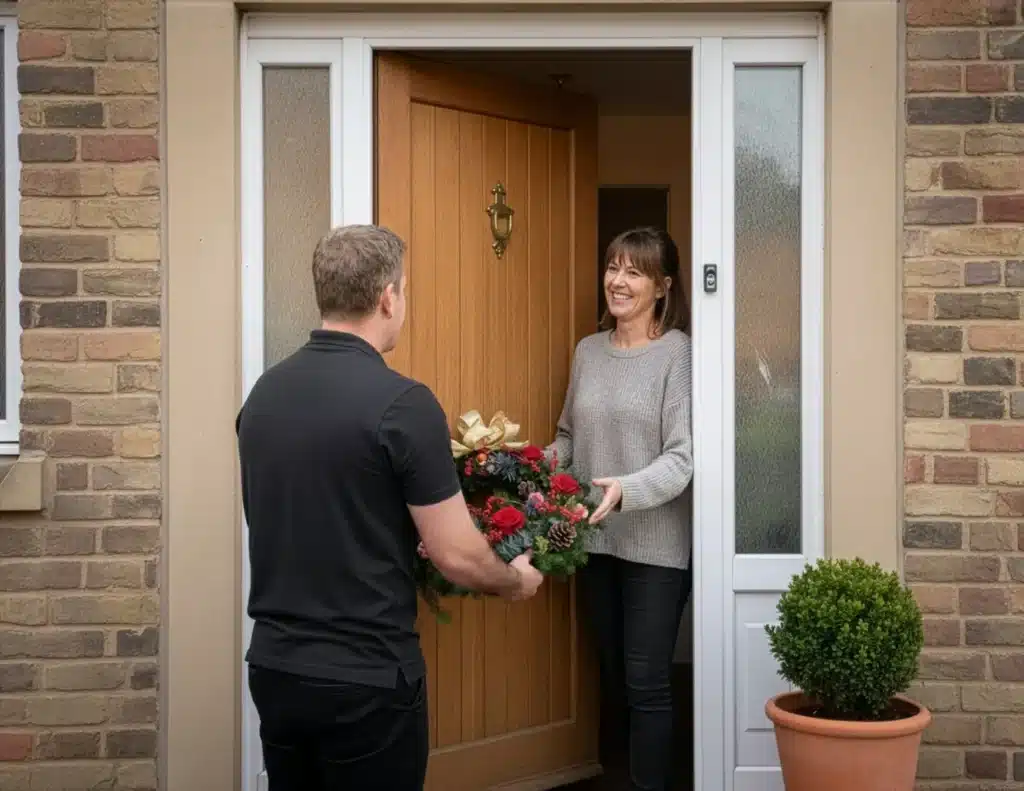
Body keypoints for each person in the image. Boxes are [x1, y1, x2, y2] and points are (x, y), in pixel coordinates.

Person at [236, 224, 544, 791]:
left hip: (277, 671)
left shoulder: (262, 396)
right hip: (366, 681)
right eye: (405, 289)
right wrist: (512, 582)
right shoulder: (403, 404)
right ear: (387, 297)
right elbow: (456, 554)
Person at [549, 227, 693, 791]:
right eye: (613, 267)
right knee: (612, 674)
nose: (618, 280)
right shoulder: (589, 350)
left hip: (655, 545)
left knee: (647, 682)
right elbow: (568, 438)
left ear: (662, 286)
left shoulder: (677, 353)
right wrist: (531, 462)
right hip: (594, 541)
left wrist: (624, 490)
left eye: (634, 271)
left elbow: (682, 457)